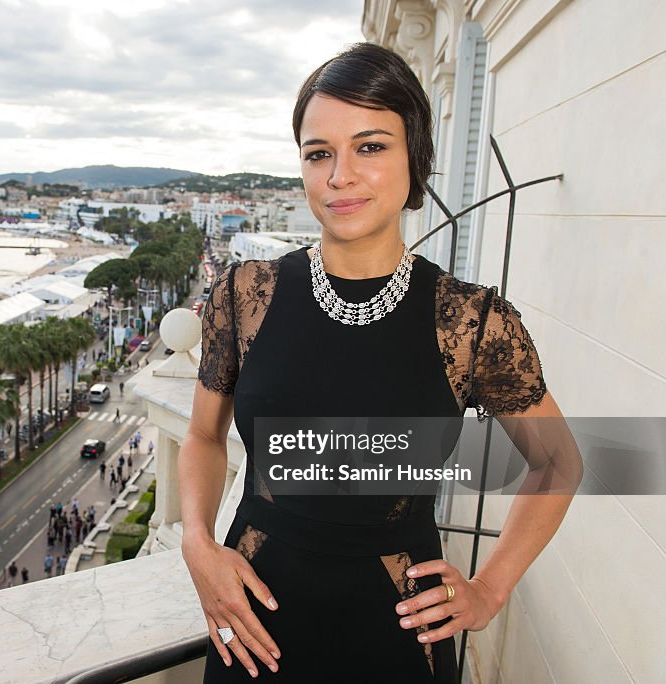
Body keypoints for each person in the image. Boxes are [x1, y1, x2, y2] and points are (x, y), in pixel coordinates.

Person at [181, 43, 581, 683]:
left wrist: (489, 589)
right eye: (319, 154)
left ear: (414, 159)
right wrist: (197, 543)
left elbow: (559, 460)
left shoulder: (471, 323)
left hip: (397, 636)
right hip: (252, 624)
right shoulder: (244, 296)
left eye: (370, 146)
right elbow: (203, 436)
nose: (340, 175)